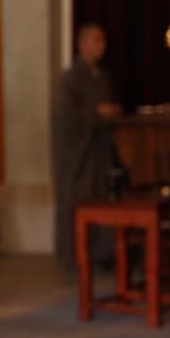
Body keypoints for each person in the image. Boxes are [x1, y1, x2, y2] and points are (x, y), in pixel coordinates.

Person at [54, 23, 122, 265]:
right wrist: (96, 113)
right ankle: (76, 255)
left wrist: (110, 112)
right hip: (79, 154)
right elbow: (66, 118)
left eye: (103, 41)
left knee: (103, 198)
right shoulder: (71, 77)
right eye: (96, 40)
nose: (101, 46)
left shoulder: (103, 75)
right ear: (81, 44)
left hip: (99, 150)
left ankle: (102, 254)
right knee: (80, 199)